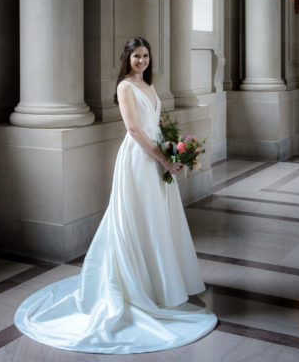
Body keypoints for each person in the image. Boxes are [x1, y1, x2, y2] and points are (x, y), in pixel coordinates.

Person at [14, 37, 217, 354]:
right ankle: (135, 287)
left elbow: (158, 124)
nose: (142, 61)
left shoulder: (149, 86)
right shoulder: (125, 87)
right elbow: (134, 130)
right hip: (139, 160)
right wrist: (163, 158)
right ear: (127, 58)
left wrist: (175, 151)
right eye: (137, 56)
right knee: (136, 219)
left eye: (146, 55)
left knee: (158, 219)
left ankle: (160, 284)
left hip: (157, 157)